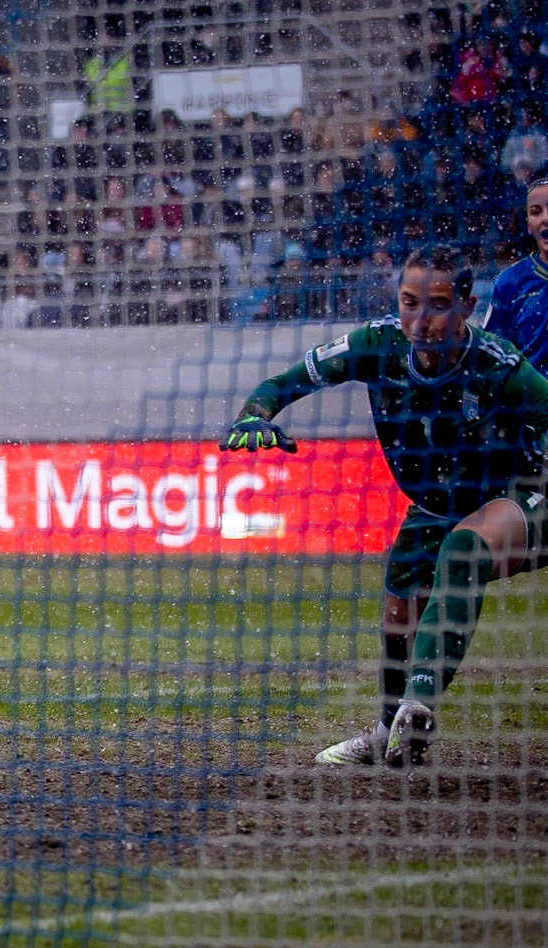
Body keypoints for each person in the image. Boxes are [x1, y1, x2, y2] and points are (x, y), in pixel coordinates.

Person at [223, 244, 548, 767]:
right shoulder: (376, 344)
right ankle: (389, 731)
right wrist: (253, 414)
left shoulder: (496, 365)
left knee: (464, 551)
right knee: (399, 610)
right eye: (410, 302)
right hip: (437, 502)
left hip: (521, 492)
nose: (421, 320)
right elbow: (284, 382)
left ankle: (419, 703)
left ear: (467, 306)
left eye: (438, 304)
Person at [482, 176, 548, 372]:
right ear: (528, 225)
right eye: (536, 212)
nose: (545, 218)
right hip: (532, 399)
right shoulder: (510, 282)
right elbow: (489, 356)